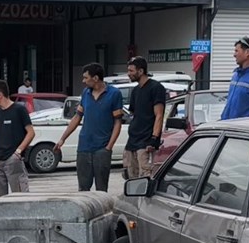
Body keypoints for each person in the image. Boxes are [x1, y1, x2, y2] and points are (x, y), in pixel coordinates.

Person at [54, 63, 124, 192]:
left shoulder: (114, 94)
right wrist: (62, 139)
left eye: (86, 78)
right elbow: (77, 117)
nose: (83, 81)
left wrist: (108, 147)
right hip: (84, 147)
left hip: (102, 148)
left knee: (101, 189)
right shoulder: (86, 93)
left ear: (96, 78)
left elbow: (117, 123)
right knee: (83, 188)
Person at [0, 79, 34, 196]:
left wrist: (18, 152)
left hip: (12, 160)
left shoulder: (19, 110)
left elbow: (31, 132)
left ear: (0, 95)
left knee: (21, 196)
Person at [124, 56, 166, 179]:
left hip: (146, 141)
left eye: (131, 71)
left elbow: (159, 115)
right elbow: (134, 114)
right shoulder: (135, 90)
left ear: (141, 71)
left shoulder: (156, 88)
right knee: (131, 177)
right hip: (132, 141)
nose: (128, 74)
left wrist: (154, 138)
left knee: (145, 177)